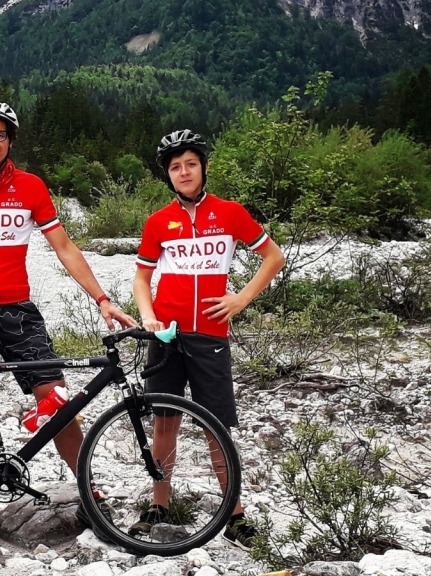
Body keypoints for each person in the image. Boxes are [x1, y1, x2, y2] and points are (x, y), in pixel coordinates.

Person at [0, 99, 136, 551]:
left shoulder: (31, 187)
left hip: (18, 310)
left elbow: (65, 248)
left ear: (11, 140)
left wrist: (102, 299)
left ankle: (89, 494)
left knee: (55, 399)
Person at [130, 129, 285, 549]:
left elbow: (274, 257)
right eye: (175, 167)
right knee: (165, 420)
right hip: (166, 333)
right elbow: (143, 277)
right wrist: (147, 316)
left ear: (203, 168)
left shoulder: (231, 213)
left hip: (211, 332)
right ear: (168, 174)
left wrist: (241, 299)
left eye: (190, 164)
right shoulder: (159, 221)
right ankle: (159, 505)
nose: (183, 172)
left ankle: (233, 513)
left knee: (216, 424)